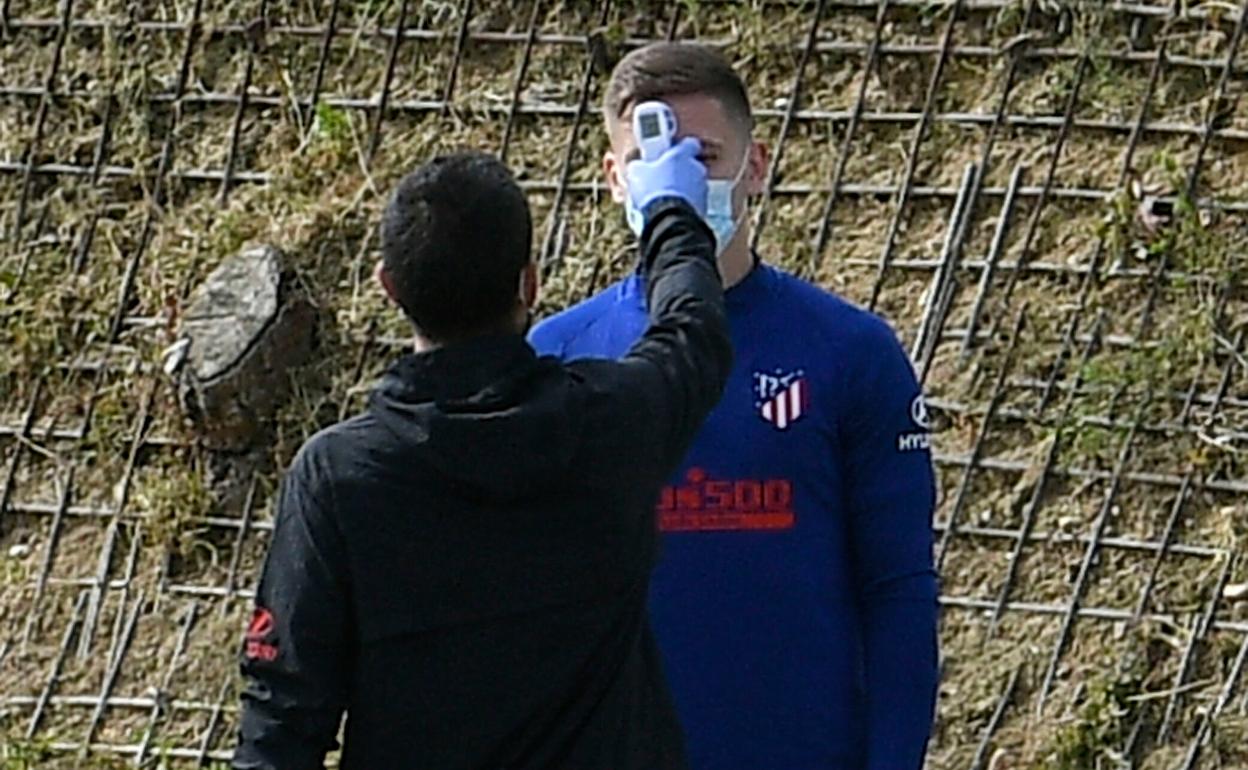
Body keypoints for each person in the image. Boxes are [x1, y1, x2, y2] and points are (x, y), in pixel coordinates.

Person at [232, 147, 732, 769]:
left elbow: (282, 714)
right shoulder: (612, 423)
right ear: (530, 281)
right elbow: (694, 333)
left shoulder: (339, 477)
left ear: (389, 285)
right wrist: (672, 213)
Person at [529, 42, 939, 770]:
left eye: (704, 157)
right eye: (655, 165)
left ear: (755, 166)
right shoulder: (558, 355)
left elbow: (898, 590)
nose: (680, 187)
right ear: (615, 181)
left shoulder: (851, 351)